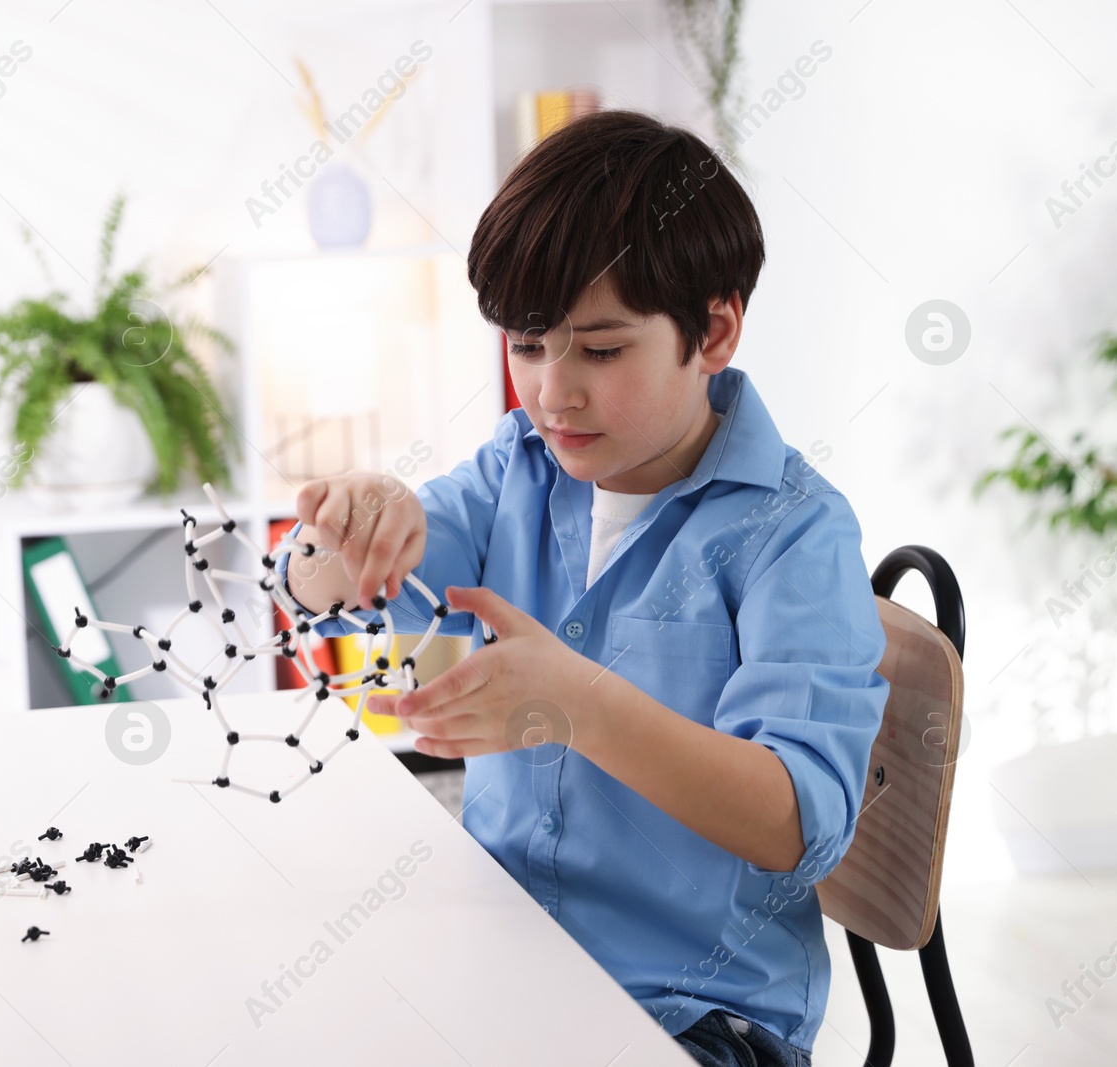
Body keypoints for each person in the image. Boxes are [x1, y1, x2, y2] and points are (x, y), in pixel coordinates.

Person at [275, 110, 888, 1067]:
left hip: (696, 1019)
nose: (553, 393)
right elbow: (316, 589)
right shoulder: (518, 469)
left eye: (601, 351)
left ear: (715, 328)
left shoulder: (794, 533)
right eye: (527, 344)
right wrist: (342, 527)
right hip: (501, 971)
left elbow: (798, 823)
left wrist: (581, 705)